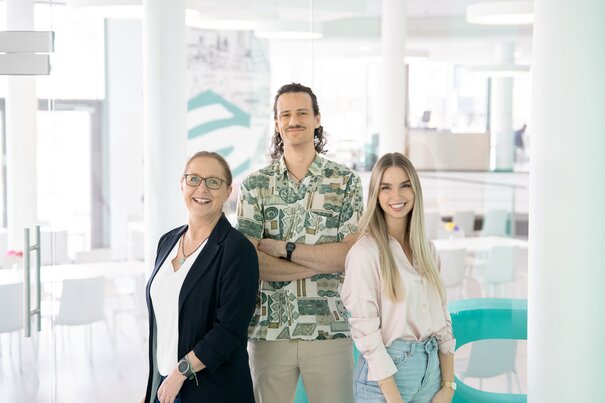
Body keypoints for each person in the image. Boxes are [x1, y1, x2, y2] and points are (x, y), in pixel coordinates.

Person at [236, 83, 364, 402]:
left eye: (302, 113)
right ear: (277, 123)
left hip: (329, 328)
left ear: (317, 119)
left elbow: (349, 255)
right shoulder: (255, 186)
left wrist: (283, 249)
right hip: (268, 330)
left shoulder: (346, 182)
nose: (294, 120)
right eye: (286, 114)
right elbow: (247, 262)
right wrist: (320, 263)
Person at [143, 151, 259, 403]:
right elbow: (164, 326)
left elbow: (229, 330)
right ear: (182, 184)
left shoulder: (237, 249)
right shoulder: (168, 241)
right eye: (194, 179)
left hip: (213, 390)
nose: (202, 189)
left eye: (213, 181)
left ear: (228, 191)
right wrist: (153, 385)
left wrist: (180, 372)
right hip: (165, 386)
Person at [342, 152, 456, 403]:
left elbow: (443, 322)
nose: (397, 196)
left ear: (415, 191)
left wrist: (448, 386)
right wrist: (394, 398)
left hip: (432, 374)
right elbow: (366, 332)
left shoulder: (428, 251)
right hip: (385, 380)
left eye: (405, 185)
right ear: (376, 195)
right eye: (386, 188)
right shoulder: (365, 253)